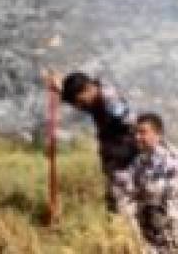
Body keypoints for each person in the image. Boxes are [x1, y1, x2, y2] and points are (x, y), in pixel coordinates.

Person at [50, 70, 142, 215]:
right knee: (115, 207)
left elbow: (137, 128)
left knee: (124, 212)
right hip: (116, 163)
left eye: (79, 101)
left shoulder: (112, 104)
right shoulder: (94, 94)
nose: (79, 106)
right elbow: (82, 101)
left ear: (88, 88)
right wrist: (60, 89)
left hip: (127, 164)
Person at [120, 113, 178, 253]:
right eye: (136, 132)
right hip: (152, 234)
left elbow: (171, 201)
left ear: (158, 134)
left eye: (143, 132)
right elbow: (128, 194)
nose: (137, 137)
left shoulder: (172, 160)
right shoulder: (139, 162)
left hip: (177, 233)